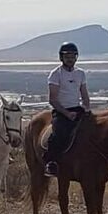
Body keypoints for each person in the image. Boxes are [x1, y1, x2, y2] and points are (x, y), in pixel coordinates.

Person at [43, 42, 90, 178]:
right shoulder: (55, 74)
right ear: (61, 58)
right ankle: (51, 162)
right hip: (61, 111)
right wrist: (67, 114)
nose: (70, 59)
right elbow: (53, 99)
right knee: (59, 133)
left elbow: (85, 95)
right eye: (67, 56)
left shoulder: (80, 74)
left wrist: (86, 109)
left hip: (77, 109)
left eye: (72, 56)